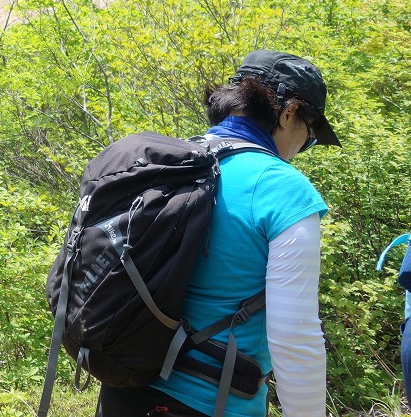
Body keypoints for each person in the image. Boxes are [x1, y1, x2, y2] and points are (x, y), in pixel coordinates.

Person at [96, 50, 339, 417]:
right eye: (311, 136)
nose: (304, 148)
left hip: (122, 391)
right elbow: (295, 338)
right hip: (208, 404)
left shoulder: (169, 162)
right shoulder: (281, 187)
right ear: (289, 112)